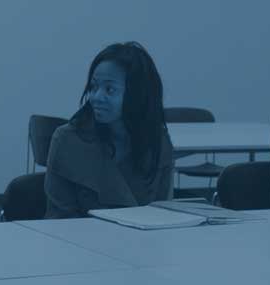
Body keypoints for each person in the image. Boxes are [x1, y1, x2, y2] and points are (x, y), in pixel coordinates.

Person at [44, 42, 174, 219]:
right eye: (93, 87)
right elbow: (58, 220)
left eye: (109, 89)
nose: (96, 97)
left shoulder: (158, 141)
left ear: (137, 95)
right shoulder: (68, 140)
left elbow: (164, 215)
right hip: (77, 241)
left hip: (143, 243)